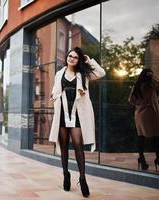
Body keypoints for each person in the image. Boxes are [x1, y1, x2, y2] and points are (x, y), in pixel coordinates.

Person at [49, 47, 105, 197]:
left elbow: (101, 73)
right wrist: (54, 96)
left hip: (77, 115)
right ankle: (66, 174)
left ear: (78, 60)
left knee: (79, 146)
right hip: (62, 114)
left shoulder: (83, 74)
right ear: (67, 57)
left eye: (75, 57)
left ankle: (82, 178)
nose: (71, 58)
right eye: (70, 56)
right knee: (64, 146)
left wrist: (89, 61)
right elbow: (55, 90)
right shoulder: (59, 73)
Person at [128, 68, 159, 172]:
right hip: (150, 113)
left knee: (141, 136)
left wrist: (139, 106)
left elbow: (131, 100)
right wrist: (154, 76)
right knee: (155, 137)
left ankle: (142, 159)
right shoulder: (151, 85)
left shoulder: (137, 86)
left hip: (139, 114)